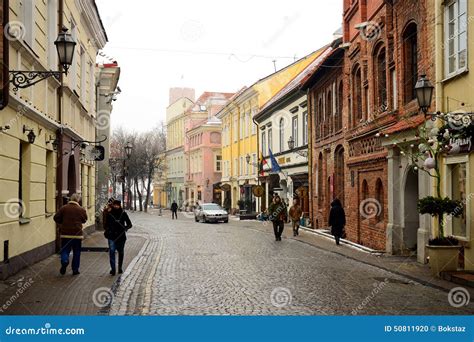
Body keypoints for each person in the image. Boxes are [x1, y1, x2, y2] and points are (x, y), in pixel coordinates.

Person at [54, 193, 88, 275]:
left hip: (65, 234)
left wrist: (62, 223)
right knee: (77, 252)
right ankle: (75, 270)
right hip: (77, 234)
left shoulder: (64, 208)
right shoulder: (81, 209)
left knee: (65, 249)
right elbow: (84, 220)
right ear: (78, 200)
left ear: (70, 199)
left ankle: (65, 261)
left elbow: (56, 217)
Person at [104, 200, 133, 275]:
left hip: (121, 236)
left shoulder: (123, 214)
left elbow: (130, 224)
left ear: (120, 205)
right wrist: (108, 230)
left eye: (117, 205)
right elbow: (106, 224)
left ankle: (120, 268)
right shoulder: (109, 214)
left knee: (121, 252)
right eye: (115, 205)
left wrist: (125, 228)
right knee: (112, 252)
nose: (116, 206)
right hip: (111, 236)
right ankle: (113, 269)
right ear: (113, 205)